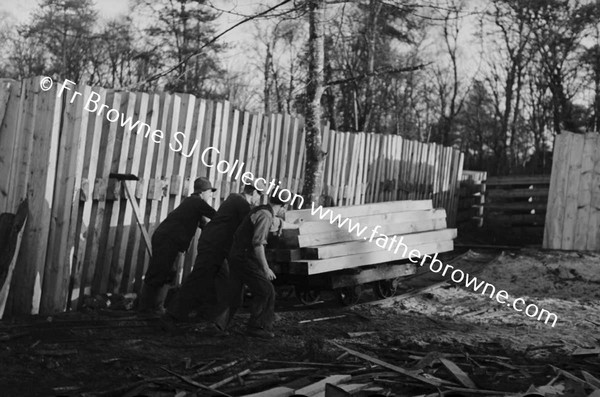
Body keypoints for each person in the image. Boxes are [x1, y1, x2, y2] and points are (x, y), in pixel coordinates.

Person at [165, 183, 262, 328]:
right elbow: (251, 224)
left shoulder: (236, 200)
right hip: (214, 245)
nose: (259, 200)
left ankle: (209, 315)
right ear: (254, 192)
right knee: (199, 278)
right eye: (259, 195)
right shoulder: (240, 202)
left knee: (223, 281)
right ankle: (173, 314)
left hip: (218, 245)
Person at [138, 177, 217, 314]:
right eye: (210, 192)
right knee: (160, 272)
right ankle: (148, 307)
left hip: (167, 240)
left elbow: (204, 224)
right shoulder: (196, 202)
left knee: (167, 272)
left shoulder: (193, 204)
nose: (210, 195)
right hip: (167, 240)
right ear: (202, 192)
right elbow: (216, 215)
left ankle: (153, 306)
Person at [226, 194, 285, 339]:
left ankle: (218, 325)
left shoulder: (259, 210)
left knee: (234, 294)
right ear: (284, 206)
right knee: (266, 290)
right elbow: (258, 244)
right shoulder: (266, 216)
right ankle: (257, 327)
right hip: (244, 257)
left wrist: (280, 224)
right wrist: (266, 268)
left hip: (236, 254)